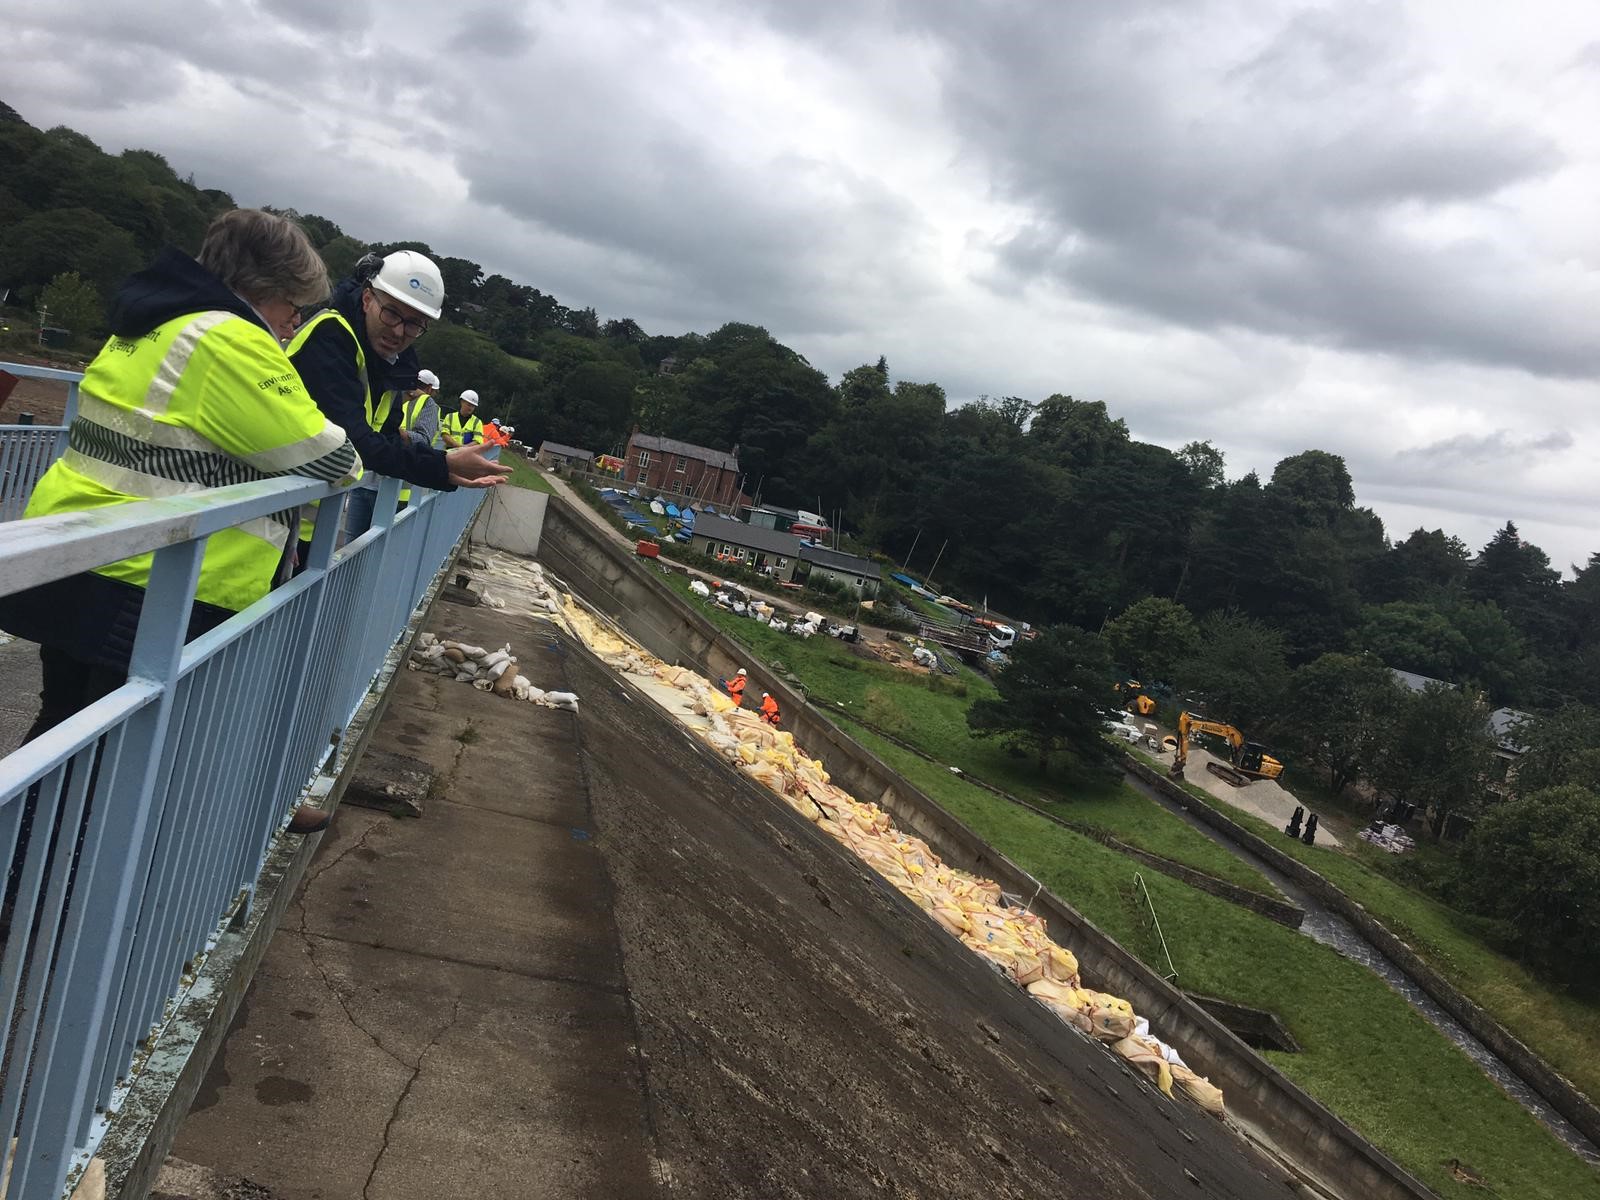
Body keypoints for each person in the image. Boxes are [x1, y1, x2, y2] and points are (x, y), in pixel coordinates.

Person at [0, 207, 363, 834]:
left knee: (60, 731)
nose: (289, 325)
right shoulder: (229, 338)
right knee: (95, 764)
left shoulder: (151, 321)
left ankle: (31, 894)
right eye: (290, 310)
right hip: (151, 581)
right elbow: (333, 457)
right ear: (265, 291)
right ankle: (45, 910)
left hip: (79, 551)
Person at [287, 254, 506, 544]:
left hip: (306, 527)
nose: (399, 331)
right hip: (270, 519)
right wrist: (442, 466)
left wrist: (443, 464)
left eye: (415, 324)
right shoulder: (331, 338)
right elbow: (355, 441)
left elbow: (387, 437)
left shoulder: (388, 362)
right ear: (367, 299)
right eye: (391, 313)